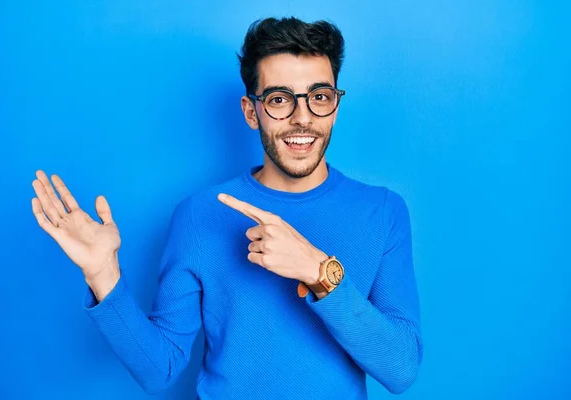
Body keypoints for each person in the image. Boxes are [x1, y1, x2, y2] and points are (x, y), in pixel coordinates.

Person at [30, 16, 423, 399]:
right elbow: (159, 369)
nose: (302, 118)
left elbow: (401, 369)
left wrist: (318, 271)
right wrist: (103, 275)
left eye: (319, 97)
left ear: (335, 106)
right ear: (251, 111)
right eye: (279, 100)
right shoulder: (199, 215)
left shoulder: (383, 212)